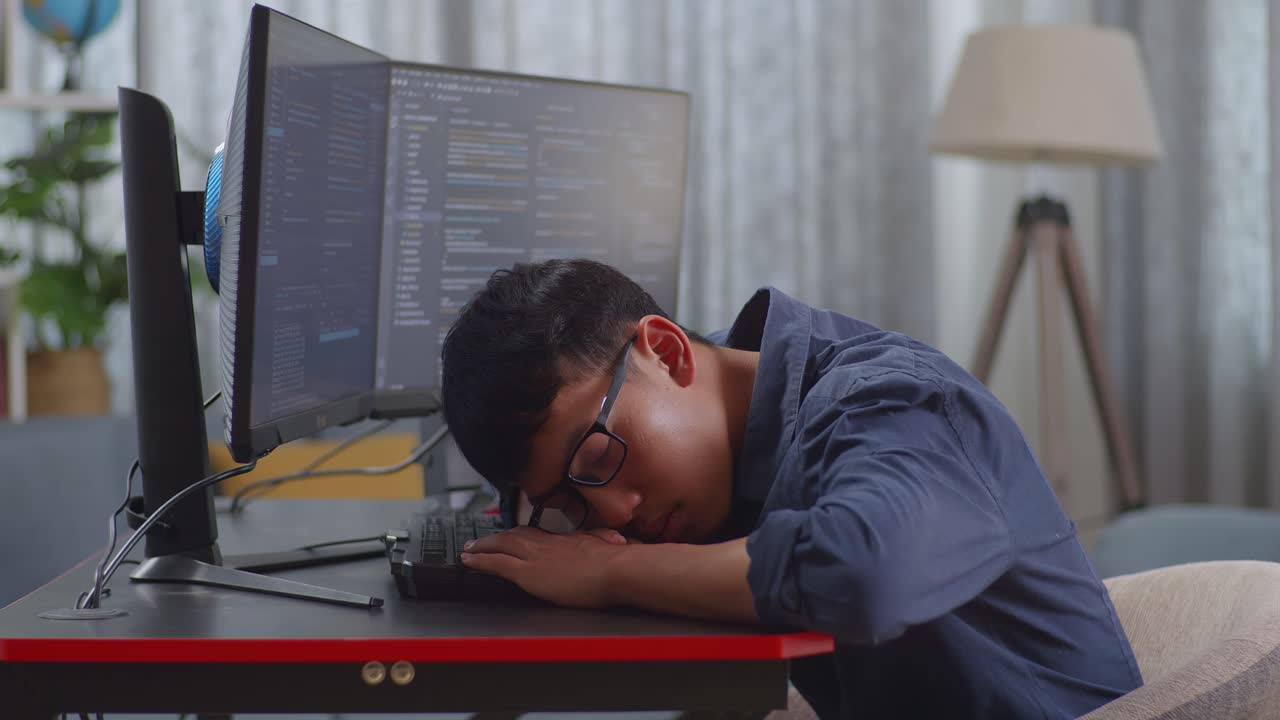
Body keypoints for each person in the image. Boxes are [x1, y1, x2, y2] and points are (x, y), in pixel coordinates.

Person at [442, 259, 1141, 719]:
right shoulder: (720, 421)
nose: (616, 513)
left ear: (668, 351)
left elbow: (865, 571)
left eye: (596, 456)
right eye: (572, 502)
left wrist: (613, 570)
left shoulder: (888, 399)